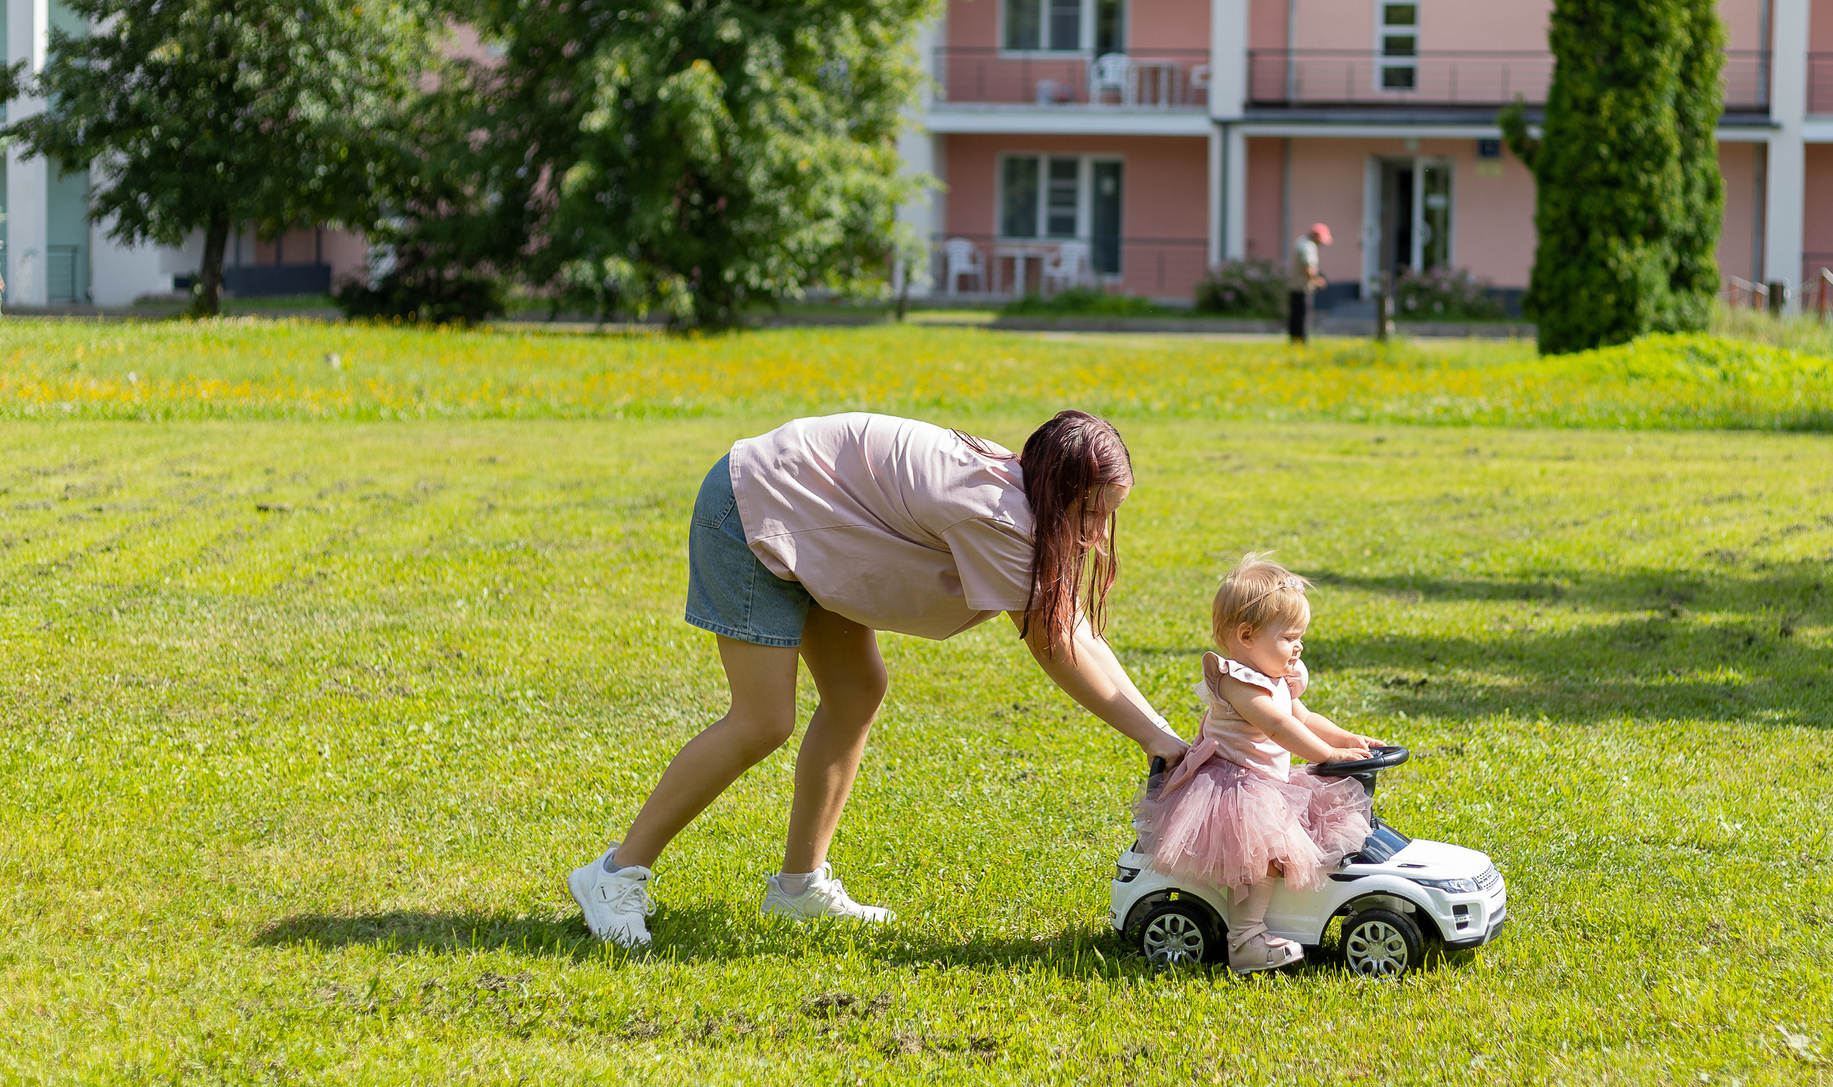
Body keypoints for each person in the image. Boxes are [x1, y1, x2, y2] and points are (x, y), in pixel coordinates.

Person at [569, 409, 1189, 946]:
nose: (1091, 535)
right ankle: (616, 876)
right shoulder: (995, 513)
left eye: (1104, 518)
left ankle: (799, 889)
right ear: (1052, 489)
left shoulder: (1018, 488)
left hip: (809, 509)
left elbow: (1073, 626)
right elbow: (1056, 644)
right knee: (762, 720)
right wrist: (1157, 741)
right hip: (750, 506)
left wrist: (1162, 735)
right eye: (1084, 516)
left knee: (856, 692)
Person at [1135, 556, 1380, 974]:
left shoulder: (1272, 676)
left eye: (1300, 636)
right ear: (1246, 636)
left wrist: (1345, 739)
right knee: (1257, 852)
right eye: (1288, 637)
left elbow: (1302, 717)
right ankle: (1246, 939)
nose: (1298, 647)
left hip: (1265, 781)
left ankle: (1291, 911)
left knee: (1310, 827)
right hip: (1234, 787)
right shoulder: (1236, 681)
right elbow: (1279, 724)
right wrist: (1327, 755)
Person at [1285, 223, 1329, 344]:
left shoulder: (1301, 242)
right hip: (1303, 287)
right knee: (1303, 317)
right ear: (1316, 236)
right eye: (1321, 241)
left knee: (1295, 316)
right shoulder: (1309, 247)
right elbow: (1308, 269)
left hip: (1293, 286)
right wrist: (1318, 280)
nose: (1321, 245)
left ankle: (1294, 341)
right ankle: (1301, 342)